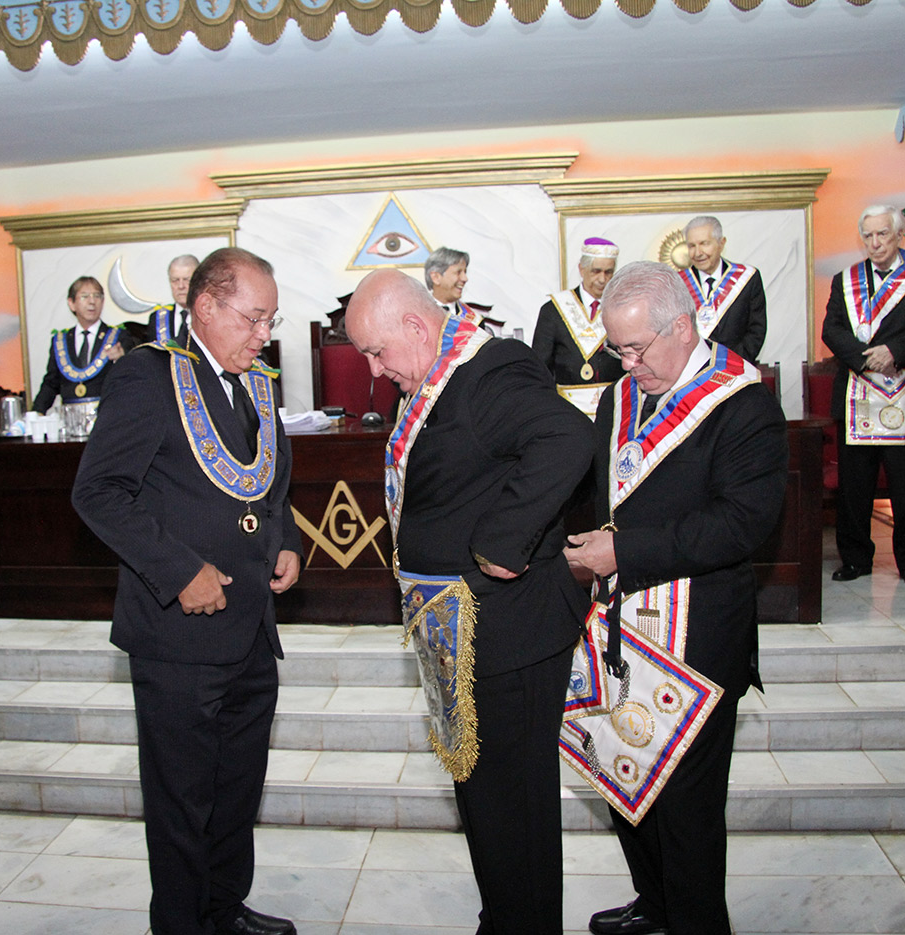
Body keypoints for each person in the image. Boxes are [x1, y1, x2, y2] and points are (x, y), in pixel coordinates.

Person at [345, 269, 593, 934]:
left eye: (376, 351)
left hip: (508, 629)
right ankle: (503, 916)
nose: (374, 371)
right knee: (483, 798)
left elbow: (568, 437)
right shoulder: (433, 378)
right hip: (460, 631)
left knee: (515, 807)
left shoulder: (490, 370)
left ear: (415, 326)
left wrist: (504, 541)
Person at [72, 247, 302, 935]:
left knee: (236, 789)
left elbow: (269, 486)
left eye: (270, 319)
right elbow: (98, 492)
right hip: (179, 633)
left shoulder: (256, 381)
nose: (264, 334)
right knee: (182, 802)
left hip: (251, 628)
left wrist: (287, 539)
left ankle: (223, 909)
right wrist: (178, 571)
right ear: (205, 305)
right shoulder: (149, 375)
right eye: (253, 318)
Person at [565, 261, 787, 935]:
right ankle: (655, 903)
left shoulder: (744, 403)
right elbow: (604, 493)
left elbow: (742, 523)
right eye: (618, 349)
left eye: (638, 348)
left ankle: (694, 921)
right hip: (622, 630)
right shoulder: (620, 397)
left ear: (684, 327)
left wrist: (623, 553)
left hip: (697, 641)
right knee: (624, 777)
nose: (628, 364)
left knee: (687, 810)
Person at [822, 205, 905, 587]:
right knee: (855, 487)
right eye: (868, 236)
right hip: (859, 393)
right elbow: (832, 329)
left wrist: (893, 351)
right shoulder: (845, 280)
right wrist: (866, 359)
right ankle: (855, 559)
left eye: (882, 234)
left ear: (898, 235)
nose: (875, 243)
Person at [532, 236, 625, 416]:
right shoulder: (554, 310)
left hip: (613, 407)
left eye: (608, 272)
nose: (602, 279)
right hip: (567, 410)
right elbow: (541, 367)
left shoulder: (622, 308)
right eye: (596, 271)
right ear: (582, 269)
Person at [32, 276, 143, 412]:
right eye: (85, 296)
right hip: (71, 418)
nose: (92, 302)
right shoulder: (61, 341)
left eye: (97, 296)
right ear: (71, 303)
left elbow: (133, 376)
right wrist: (36, 413)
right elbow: (51, 383)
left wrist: (122, 358)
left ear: (103, 302)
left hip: (106, 415)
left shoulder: (118, 337)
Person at [681, 215, 767, 362]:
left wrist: (730, 363)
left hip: (737, 367)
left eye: (704, 244)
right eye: (692, 246)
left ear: (721, 243)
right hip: (691, 369)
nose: (698, 253)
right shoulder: (678, 283)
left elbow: (756, 330)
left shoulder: (747, 278)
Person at [151, 254, 198, 346]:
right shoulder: (157, 319)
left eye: (187, 280)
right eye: (175, 280)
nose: (181, 286)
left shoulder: (207, 316)